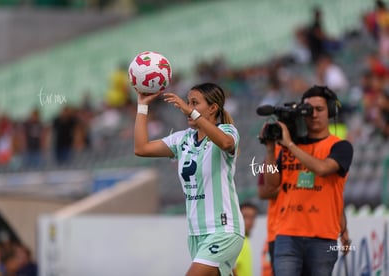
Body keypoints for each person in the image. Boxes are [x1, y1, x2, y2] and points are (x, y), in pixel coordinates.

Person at [134, 82, 245, 276]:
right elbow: (141, 148)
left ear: (213, 108)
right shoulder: (182, 139)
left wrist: (191, 112)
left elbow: (226, 143)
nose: (188, 107)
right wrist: (142, 105)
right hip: (196, 233)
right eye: (188, 102)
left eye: (195, 103)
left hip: (223, 229)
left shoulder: (227, 132)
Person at [260, 85, 353, 276]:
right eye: (309, 110)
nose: (314, 115)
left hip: (323, 237)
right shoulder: (287, 147)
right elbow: (271, 183)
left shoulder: (340, 146)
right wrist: (270, 149)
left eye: (320, 109)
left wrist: (290, 145)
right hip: (287, 234)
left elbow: (322, 169)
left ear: (330, 111)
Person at [233, 202, 258, 276]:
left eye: (252, 217)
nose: (249, 221)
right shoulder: (238, 240)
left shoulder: (245, 239)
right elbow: (231, 268)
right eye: (245, 217)